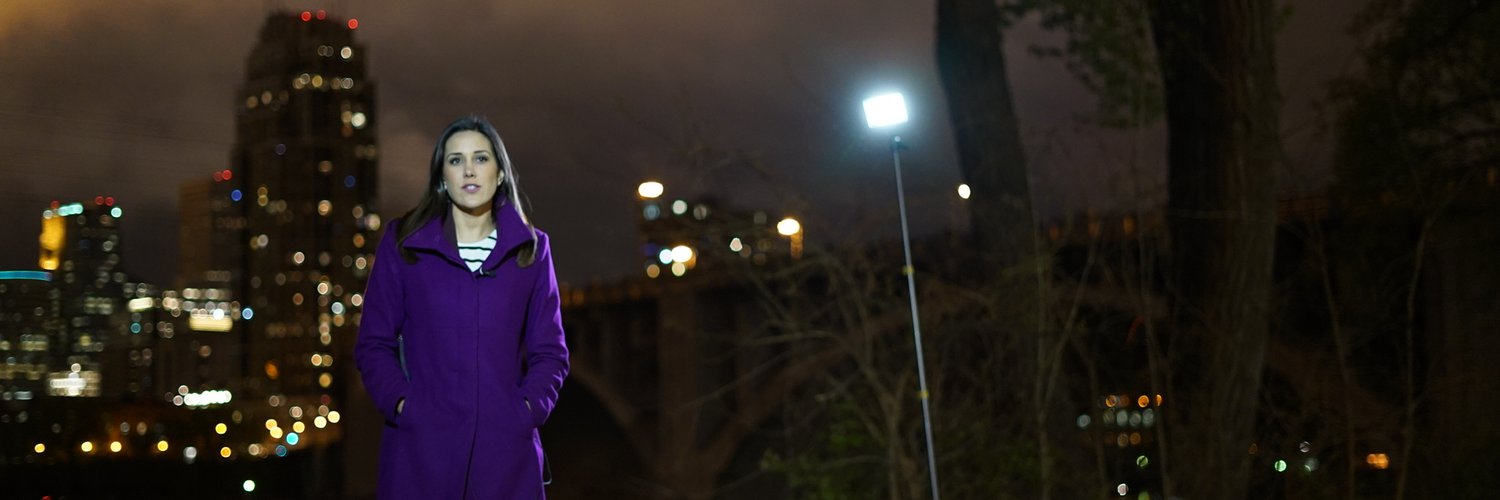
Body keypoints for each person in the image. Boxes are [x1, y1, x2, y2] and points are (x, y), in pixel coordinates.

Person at [355, 115, 569, 499]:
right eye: (455, 160)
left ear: (500, 174)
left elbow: (551, 353)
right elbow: (373, 344)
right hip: (420, 458)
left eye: (480, 158)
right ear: (442, 176)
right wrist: (403, 406)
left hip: (506, 462)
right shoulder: (403, 244)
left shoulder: (532, 251)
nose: (469, 170)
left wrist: (525, 411)